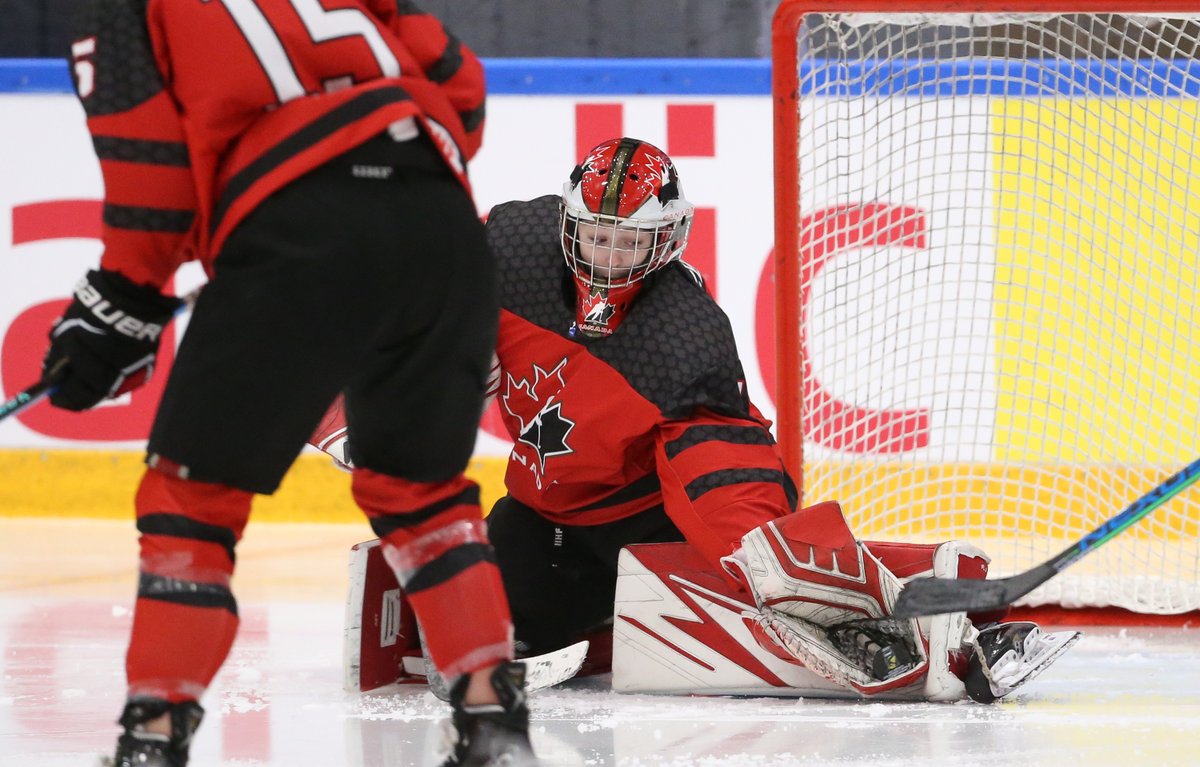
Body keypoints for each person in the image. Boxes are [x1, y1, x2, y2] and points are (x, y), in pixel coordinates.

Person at [316, 137, 1080, 703]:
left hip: (650, 523)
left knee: (770, 568)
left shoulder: (682, 338)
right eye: (594, 235)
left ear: (668, 239)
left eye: (628, 241)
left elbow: (721, 475)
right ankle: (614, 628)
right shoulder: (508, 249)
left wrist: (762, 555)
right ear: (566, 223)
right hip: (544, 512)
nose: (607, 258)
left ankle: (949, 619)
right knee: (502, 627)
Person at [46, 2, 532, 766]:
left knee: (192, 497)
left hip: (297, 226)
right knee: (422, 492)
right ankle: (493, 721)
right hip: (440, 224)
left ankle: (152, 734)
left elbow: (152, 170)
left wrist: (124, 301)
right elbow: (460, 85)